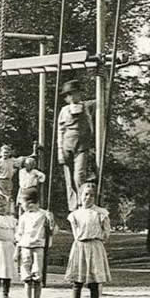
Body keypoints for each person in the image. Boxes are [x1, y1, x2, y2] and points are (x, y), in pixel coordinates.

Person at [65, 182, 111, 298]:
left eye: (91, 195)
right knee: (77, 281)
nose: (88, 198)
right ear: (80, 195)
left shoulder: (101, 213)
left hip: (95, 246)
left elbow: (106, 233)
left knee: (94, 282)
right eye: (86, 194)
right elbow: (75, 233)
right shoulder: (75, 215)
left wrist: (98, 238)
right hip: (80, 246)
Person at [14, 187, 55, 298]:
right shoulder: (23, 217)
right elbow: (19, 235)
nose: (21, 206)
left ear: (30, 202)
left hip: (38, 248)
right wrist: (17, 250)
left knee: (37, 278)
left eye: (22, 203)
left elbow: (52, 231)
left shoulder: (43, 215)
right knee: (27, 278)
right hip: (25, 248)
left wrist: (51, 220)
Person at [57, 80, 96, 212]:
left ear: (80, 94)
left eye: (75, 93)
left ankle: (83, 203)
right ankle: (73, 207)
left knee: (79, 176)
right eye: (69, 95)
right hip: (67, 146)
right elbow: (60, 131)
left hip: (81, 146)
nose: (73, 97)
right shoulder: (64, 110)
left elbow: (102, 99)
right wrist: (60, 151)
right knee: (69, 179)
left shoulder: (87, 106)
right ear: (66, 97)